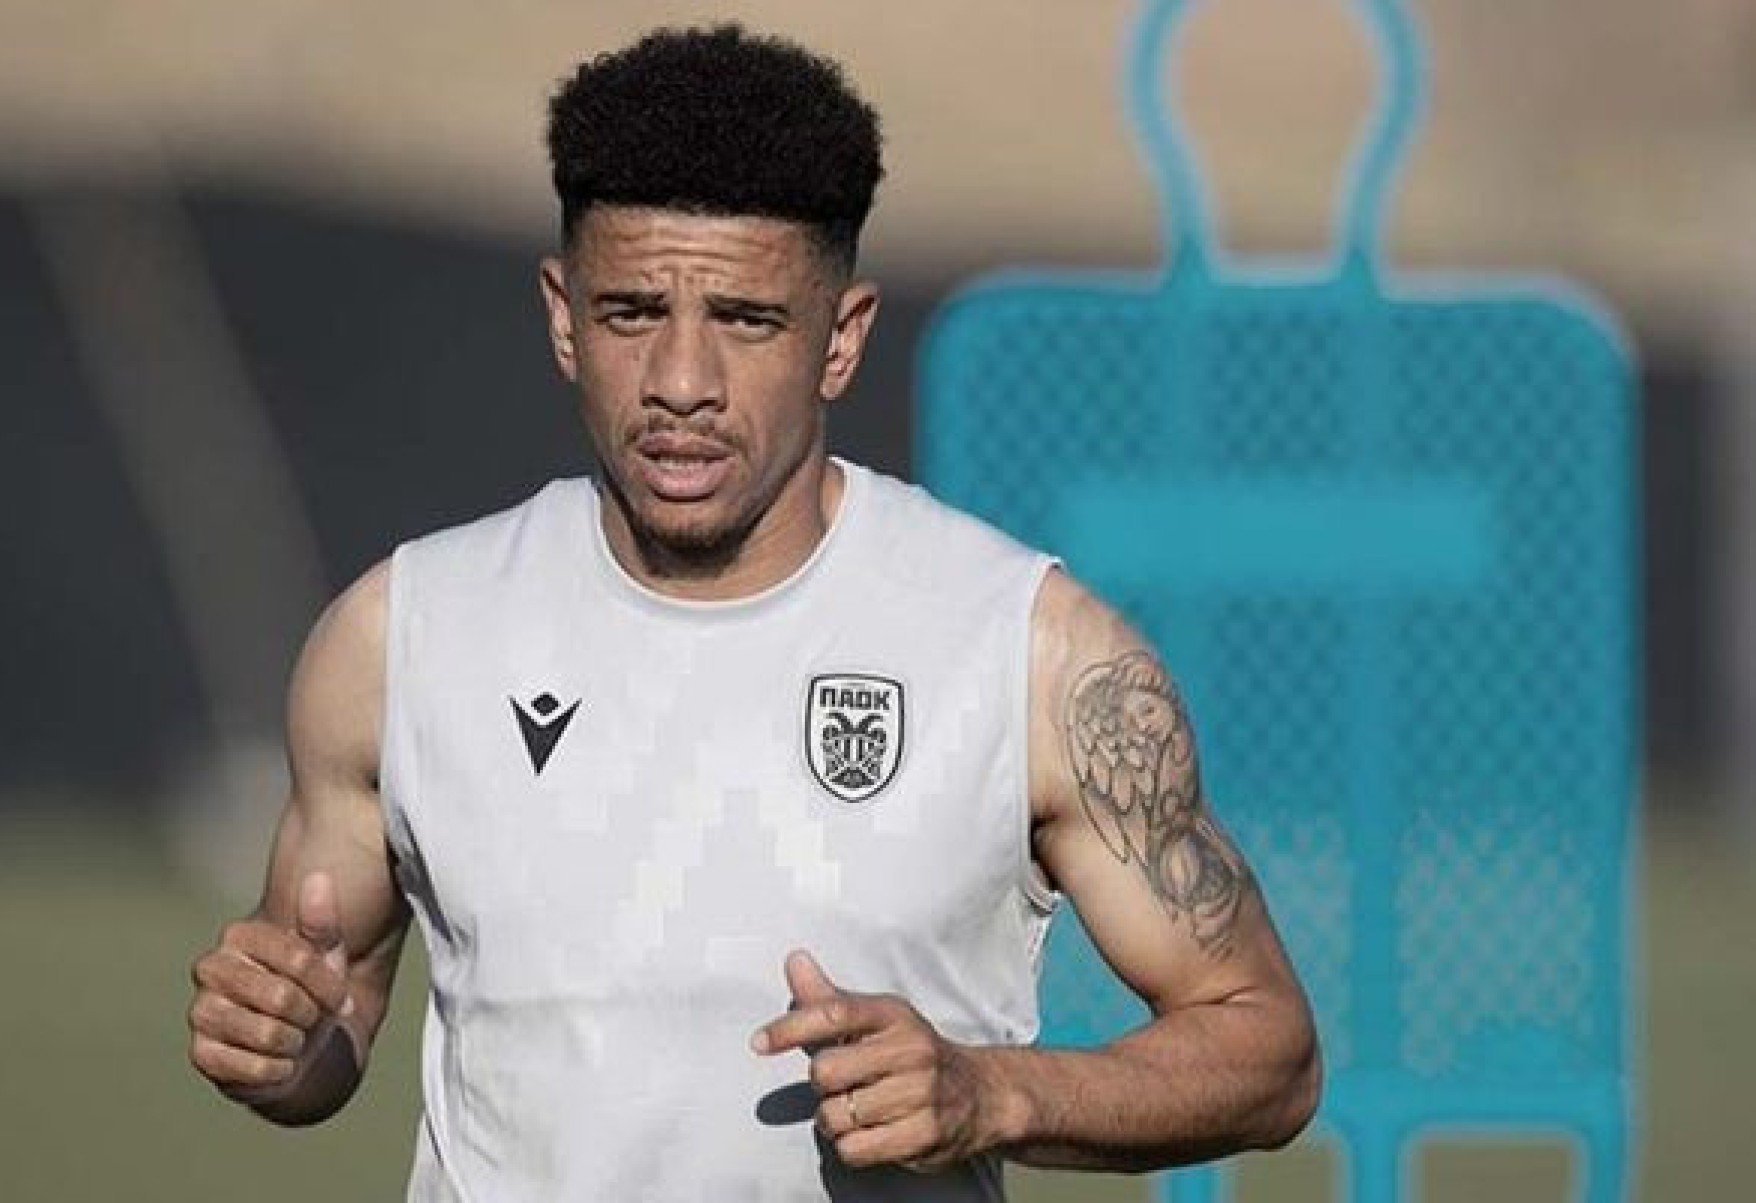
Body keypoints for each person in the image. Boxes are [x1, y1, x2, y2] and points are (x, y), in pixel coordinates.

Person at [185, 22, 1319, 1201]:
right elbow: (328, 1025)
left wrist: (994, 1093)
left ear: (842, 339)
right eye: (632, 313)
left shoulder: (1033, 653)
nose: (682, 383)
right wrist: (278, 1043)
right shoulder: (399, 636)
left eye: (746, 320)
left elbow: (1268, 1050)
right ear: (563, 316)